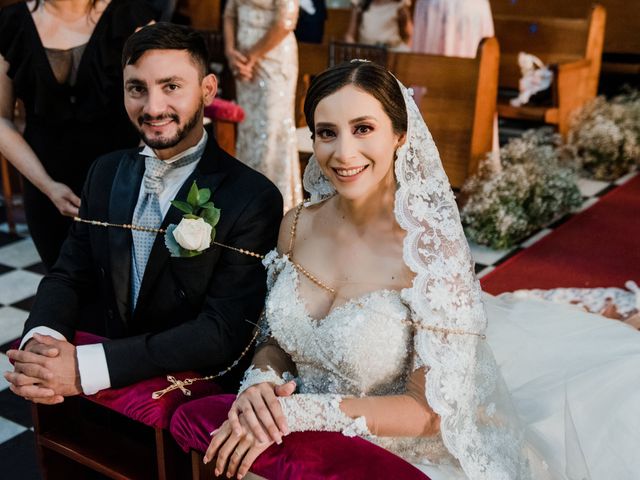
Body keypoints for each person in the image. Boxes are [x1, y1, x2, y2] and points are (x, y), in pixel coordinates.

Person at [202, 61, 640, 479]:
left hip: (405, 456)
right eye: (326, 133)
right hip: (299, 446)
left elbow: (430, 412)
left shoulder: (433, 253)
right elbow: (276, 339)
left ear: (400, 135)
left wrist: (294, 413)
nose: (343, 152)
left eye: (363, 129)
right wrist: (260, 384)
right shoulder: (295, 225)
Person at [4, 23, 283, 404]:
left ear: (208, 90)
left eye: (171, 87)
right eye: (137, 88)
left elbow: (221, 331)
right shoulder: (104, 172)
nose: (152, 108)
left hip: (190, 402)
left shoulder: (252, 197)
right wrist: (43, 340)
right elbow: (68, 273)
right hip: (102, 398)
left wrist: (88, 366)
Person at [0, 0, 157, 269]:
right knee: (63, 288)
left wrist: (140, 173)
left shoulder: (130, 16)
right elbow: (1, 118)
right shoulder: (10, 23)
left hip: (125, 180)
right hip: (46, 184)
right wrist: (48, 186)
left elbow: (156, 105)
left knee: (124, 291)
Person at [223, 0, 302, 211]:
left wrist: (250, 57)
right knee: (248, 129)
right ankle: (245, 202)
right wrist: (231, 53)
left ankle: (273, 205)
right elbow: (230, 14)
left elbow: (286, 21)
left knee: (270, 128)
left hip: (273, 62)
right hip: (243, 65)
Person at [344, 0, 413, 52]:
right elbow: (349, 35)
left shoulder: (398, 3)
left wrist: (406, 54)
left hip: (392, 51)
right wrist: (354, 53)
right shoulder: (361, 3)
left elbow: (410, 33)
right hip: (367, 52)